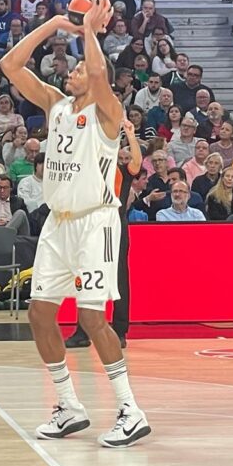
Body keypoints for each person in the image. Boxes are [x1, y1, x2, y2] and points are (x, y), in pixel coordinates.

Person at [0, 0, 151, 448]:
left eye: (81, 67)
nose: (75, 70)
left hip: (95, 221)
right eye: (74, 68)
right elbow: (10, 65)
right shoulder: (56, 104)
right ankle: (68, 405)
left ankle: (129, 408)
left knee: (91, 319)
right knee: (40, 314)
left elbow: (100, 72)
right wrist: (54, 26)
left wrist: (88, 30)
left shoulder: (108, 113)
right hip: (58, 223)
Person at [64, 118, 142, 349]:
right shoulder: (87, 170)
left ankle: (119, 330)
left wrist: (130, 134)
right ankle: (83, 330)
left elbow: (137, 161)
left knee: (117, 278)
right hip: (90, 226)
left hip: (114, 226)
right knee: (87, 279)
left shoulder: (122, 171)